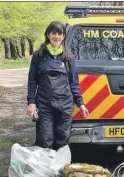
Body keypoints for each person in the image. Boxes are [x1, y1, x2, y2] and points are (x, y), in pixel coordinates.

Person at [27, 21, 89, 150]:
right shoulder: (39, 55)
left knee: (63, 140)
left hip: (65, 105)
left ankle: (60, 168)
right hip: (44, 105)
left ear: (63, 36)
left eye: (59, 33)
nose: (56, 36)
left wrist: (80, 104)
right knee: (45, 140)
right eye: (53, 33)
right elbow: (32, 81)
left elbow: (74, 83)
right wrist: (31, 103)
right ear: (48, 35)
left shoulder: (69, 57)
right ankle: (46, 169)